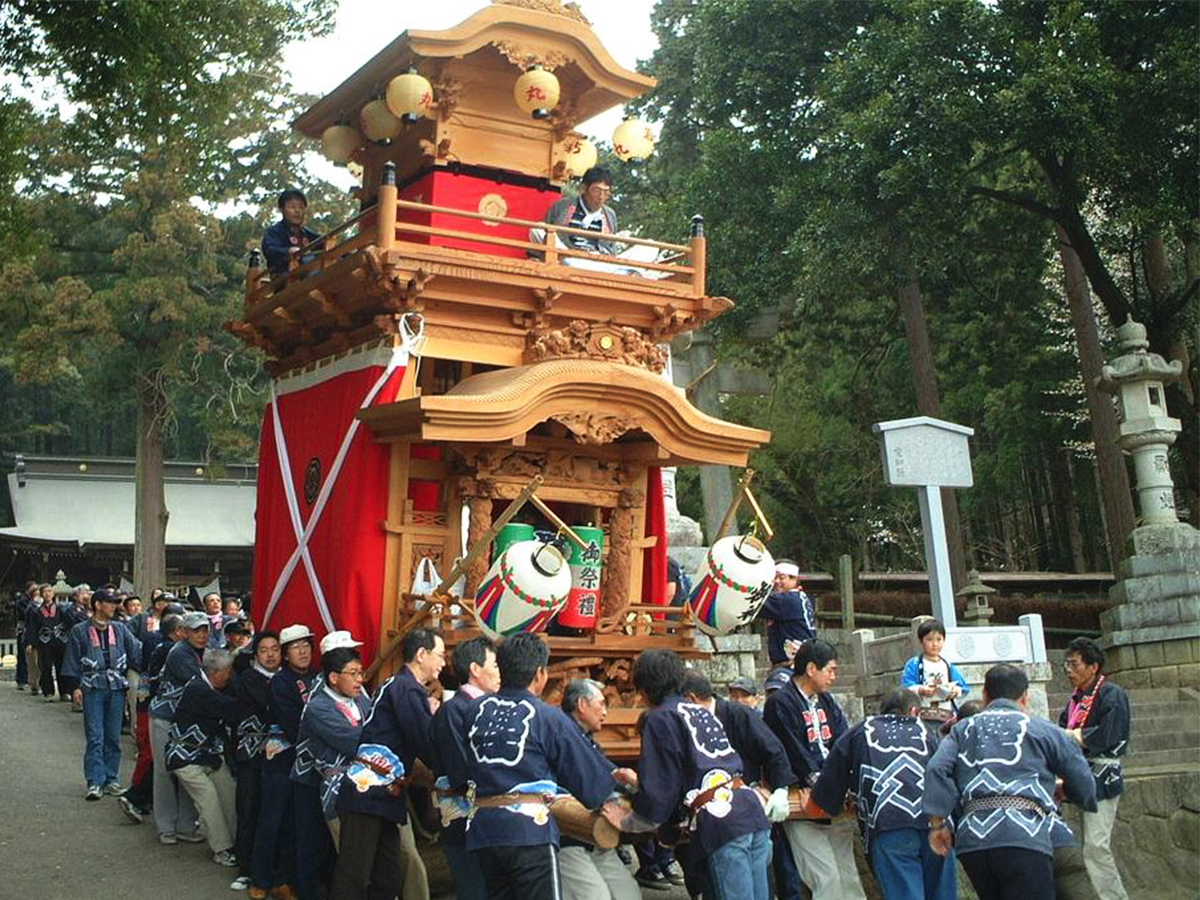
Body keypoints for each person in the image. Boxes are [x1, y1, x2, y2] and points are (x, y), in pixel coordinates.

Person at [604, 648, 773, 900]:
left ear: (644, 688)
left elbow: (661, 793)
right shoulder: (699, 710)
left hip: (722, 822)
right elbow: (695, 773)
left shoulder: (659, 718)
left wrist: (627, 821)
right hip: (750, 810)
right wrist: (639, 783)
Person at [459, 632, 616, 900]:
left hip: (483, 830)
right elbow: (590, 782)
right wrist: (617, 796)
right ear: (540, 674)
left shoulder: (474, 711)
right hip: (529, 832)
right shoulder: (548, 716)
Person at [924, 664, 1097, 900]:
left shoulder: (961, 729)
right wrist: (1068, 792)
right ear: (1025, 697)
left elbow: (936, 768)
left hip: (974, 840)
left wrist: (937, 824)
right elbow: (1083, 782)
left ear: (985, 695)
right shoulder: (1043, 729)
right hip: (1026, 835)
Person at [810, 688, 956, 900]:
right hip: (938, 824)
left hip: (889, 825)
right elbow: (948, 774)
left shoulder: (861, 730)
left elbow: (826, 790)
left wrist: (838, 800)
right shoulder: (927, 731)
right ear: (914, 711)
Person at [331, 628, 443, 900]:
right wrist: (454, 772)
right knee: (354, 878)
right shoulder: (407, 689)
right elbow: (424, 741)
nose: (443, 662)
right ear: (421, 654)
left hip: (382, 795)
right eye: (439, 655)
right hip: (368, 791)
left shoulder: (396, 685)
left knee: (388, 876)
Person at [762, 639, 867, 900]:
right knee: (824, 877)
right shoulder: (780, 703)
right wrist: (821, 783)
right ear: (811, 668)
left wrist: (843, 780)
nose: (834, 676)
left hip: (834, 795)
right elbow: (791, 750)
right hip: (801, 798)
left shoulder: (827, 701)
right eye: (830, 670)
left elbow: (843, 741)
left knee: (849, 876)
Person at [682, 671, 795, 899]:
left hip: (746, 808)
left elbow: (774, 752)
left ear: (691, 699)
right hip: (707, 815)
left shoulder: (736, 714)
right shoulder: (682, 725)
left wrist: (781, 790)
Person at [1057, 637, 1131, 900]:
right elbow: (1062, 732)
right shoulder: (1075, 699)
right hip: (1077, 772)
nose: (1068, 670)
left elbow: (1109, 734)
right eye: (1066, 664)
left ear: (1093, 667)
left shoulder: (1112, 694)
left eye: (1074, 664)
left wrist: (1073, 736)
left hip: (1102, 773)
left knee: (1096, 846)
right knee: (1081, 845)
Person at [556, 679, 641, 900]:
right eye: (601, 704)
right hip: (569, 836)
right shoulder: (562, 734)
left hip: (596, 836)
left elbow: (610, 775)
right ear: (582, 704)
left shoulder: (586, 739)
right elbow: (593, 787)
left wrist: (633, 784)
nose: (605, 712)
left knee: (629, 895)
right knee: (595, 896)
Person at [251, 623, 318, 900]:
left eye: (306, 646)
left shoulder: (319, 677)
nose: (302, 651)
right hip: (282, 758)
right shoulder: (281, 681)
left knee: (297, 823)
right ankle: (260, 878)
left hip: (308, 761)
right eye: (295, 647)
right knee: (272, 819)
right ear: (286, 655)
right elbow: (293, 724)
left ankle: (286, 880)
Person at [429, 636, 499, 900]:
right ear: (475, 669)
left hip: (488, 819)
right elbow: (461, 771)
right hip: (464, 817)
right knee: (474, 890)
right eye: (494, 665)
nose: (499, 673)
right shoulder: (453, 711)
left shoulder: (488, 708)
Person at [61, 587, 142, 799]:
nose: (115, 606)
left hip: (116, 686)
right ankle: (95, 781)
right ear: (98, 604)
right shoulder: (80, 630)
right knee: (95, 735)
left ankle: (111, 779)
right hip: (92, 686)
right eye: (110, 602)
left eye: (116, 603)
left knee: (113, 736)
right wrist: (75, 686)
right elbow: (72, 659)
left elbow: (136, 651)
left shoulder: (121, 628)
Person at [295, 633, 371, 849]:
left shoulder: (360, 699)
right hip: (339, 787)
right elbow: (355, 741)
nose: (360, 679)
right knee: (351, 854)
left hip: (369, 785)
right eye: (353, 673)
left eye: (360, 672)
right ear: (334, 676)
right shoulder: (318, 705)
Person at [166, 648, 241, 867]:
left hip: (209, 756)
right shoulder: (198, 689)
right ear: (216, 673)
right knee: (208, 799)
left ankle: (239, 842)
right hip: (184, 757)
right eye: (228, 672)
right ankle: (222, 849)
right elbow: (232, 711)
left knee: (230, 792)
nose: (230, 676)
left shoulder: (213, 686)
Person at [149, 611, 208, 844]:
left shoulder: (205, 652)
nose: (202, 635)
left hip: (187, 722)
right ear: (183, 632)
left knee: (186, 768)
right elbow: (201, 685)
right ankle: (166, 827)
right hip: (165, 716)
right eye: (196, 630)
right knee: (164, 772)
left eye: (205, 630)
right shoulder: (179, 653)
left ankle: (185, 824)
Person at [119, 612, 184, 823]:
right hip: (160, 708)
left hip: (152, 705)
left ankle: (139, 797)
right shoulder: (171, 650)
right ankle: (135, 796)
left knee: (158, 758)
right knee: (156, 758)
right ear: (177, 632)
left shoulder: (158, 644)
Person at [231, 630, 282, 891]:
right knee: (248, 808)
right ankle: (245, 867)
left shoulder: (286, 678)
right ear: (256, 654)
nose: (271, 654)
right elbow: (270, 706)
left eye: (275, 649)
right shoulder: (249, 678)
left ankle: (271, 868)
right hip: (251, 753)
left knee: (272, 812)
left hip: (279, 755)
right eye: (264, 650)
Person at [901, 619, 970, 726]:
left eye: (939, 639)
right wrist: (921, 690)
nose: (935, 644)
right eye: (929, 640)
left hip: (946, 714)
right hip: (923, 714)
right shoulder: (914, 664)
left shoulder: (947, 665)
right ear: (921, 641)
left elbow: (963, 687)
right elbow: (906, 687)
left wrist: (954, 691)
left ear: (944, 640)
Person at [761, 560, 818, 676]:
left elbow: (754, 603)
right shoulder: (801, 597)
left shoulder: (788, 600)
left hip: (792, 667)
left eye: (781, 578)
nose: (777, 581)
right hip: (804, 661)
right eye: (774, 578)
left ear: (794, 579)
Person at [262, 188, 320, 277]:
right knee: (308, 260)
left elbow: (324, 246)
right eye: (292, 207)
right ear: (281, 209)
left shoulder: (310, 235)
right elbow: (270, 251)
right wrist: (288, 251)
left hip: (312, 273)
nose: (297, 211)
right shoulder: (274, 232)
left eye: (301, 207)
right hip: (285, 279)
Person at [32, 586, 69, 702]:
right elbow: (33, 628)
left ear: (53, 593)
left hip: (59, 641)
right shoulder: (37, 611)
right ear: (42, 595)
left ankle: (64, 692)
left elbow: (67, 624)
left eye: (49, 591)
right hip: (44, 641)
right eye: (45, 592)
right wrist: (31, 642)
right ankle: (48, 692)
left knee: (61, 666)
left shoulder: (61, 609)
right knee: (46, 666)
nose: (47, 594)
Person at [14, 580, 37, 691]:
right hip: (23, 629)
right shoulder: (22, 602)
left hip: (33, 629)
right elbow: (26, 614)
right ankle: (21, 679)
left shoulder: (36, 602)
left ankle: (30, 678)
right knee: (22, 655)